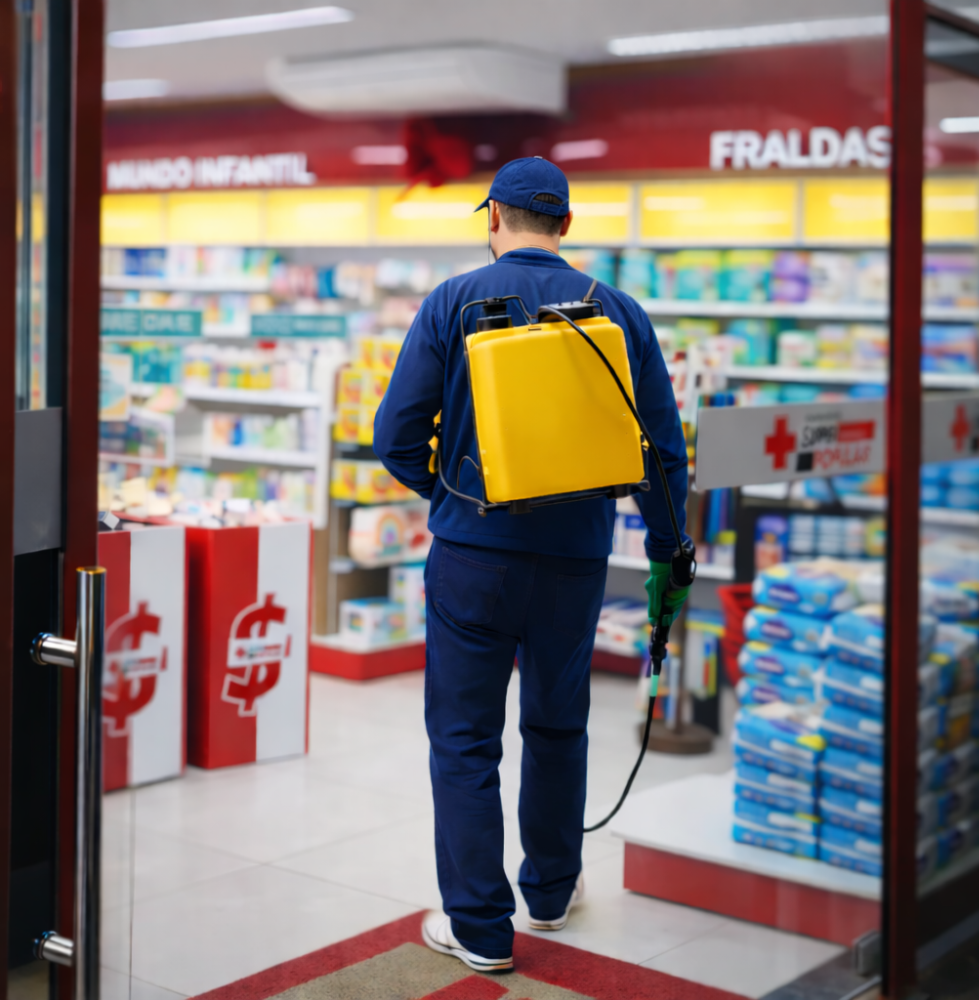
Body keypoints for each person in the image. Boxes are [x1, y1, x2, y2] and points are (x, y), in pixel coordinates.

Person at [373, 157, 690, 974]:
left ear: (493, 220)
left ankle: (480, 928)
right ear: (566, 228)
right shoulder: (618, 309)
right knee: (558, 723)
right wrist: (664, 550)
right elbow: (660, 452)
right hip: (577, 560)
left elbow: (396, 436)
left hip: (473, 558)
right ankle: (550, 893)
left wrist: (451, 491)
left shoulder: (452, 302)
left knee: (465, 738)